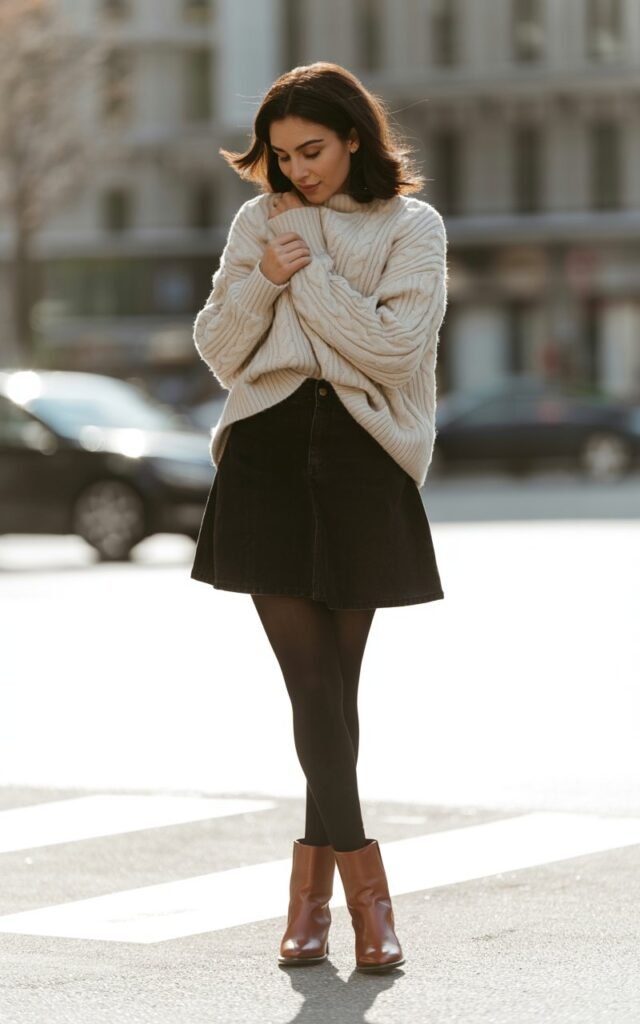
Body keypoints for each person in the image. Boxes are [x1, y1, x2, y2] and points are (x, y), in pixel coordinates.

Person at [190, 61, 448, 974]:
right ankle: (367, 903)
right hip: (265, 454)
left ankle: (311, 899)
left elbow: (393, 348)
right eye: (282, 156)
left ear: (353, 138)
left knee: (339, 688)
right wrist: (263, 275)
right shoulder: (258, 224)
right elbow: (223, 351)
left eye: (314, 150)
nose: (299, 172)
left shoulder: (413, 226)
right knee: (312, 689)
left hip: (362, 460)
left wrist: (308, 279)